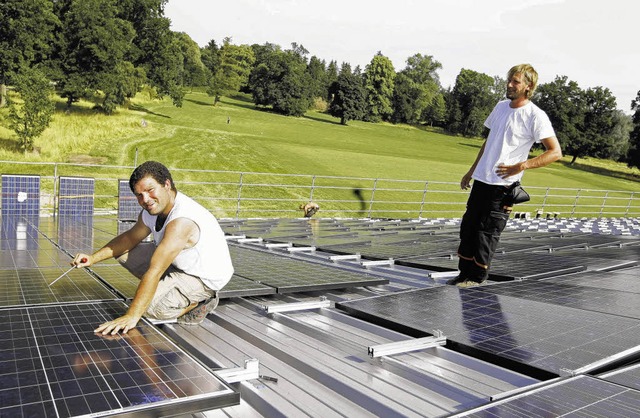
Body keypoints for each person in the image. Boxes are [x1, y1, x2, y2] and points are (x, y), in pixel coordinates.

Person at [72, 161, 234, 334]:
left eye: (150, 190)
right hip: (180, 264)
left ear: (166, 184)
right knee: (122, 252)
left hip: (202, 278)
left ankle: (201, 302)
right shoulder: (152, 211)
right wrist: (92, 258)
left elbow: (154, 270)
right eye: (139, 195)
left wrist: (132, 315)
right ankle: (165, 289)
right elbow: (130, 237)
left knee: (149, 309)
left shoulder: (182, 220)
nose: (145, 200)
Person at [448, 64, 562, 288]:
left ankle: (476, 279)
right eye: (509, 79)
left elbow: (555, 152)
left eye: (516, 82)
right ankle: (463, 275)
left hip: (502, 186)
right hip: (482, 180)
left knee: (486, 233)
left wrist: (522, 166)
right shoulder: (500, 107)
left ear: (528, 86)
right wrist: (471, 172)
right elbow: (488, 143)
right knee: (469, 228)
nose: (509, 84)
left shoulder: (535, 116)